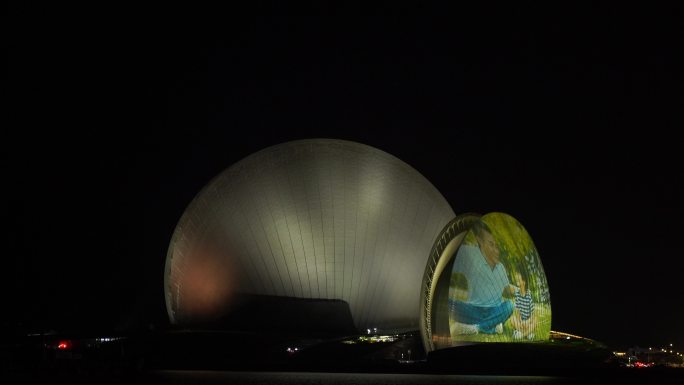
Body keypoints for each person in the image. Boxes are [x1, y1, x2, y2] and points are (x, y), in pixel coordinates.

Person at [449, 220, 517, 335]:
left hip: (493, 310)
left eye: (495, 246)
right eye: (491, 244)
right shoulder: (471, 256)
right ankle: (493, 326)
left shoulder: (500, 268)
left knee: (509, 305)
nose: (495, 249)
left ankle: (476, 328)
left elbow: (506, 288)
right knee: (450, 304)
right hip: (473, 310)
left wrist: (518, 290)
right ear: (480, 242)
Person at [510, 270, 536, 340]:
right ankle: (528, 334)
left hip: (528, 322)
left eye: (519, 278)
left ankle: (521, 334)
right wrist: (521, 321)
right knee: (512, 319)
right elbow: (518, 312)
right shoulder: (517, 294)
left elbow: (533, 314)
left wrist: (527, 322)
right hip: (521, 322)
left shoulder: (529, 295)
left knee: (536, 321)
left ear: (524, 282)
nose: (517, 278)